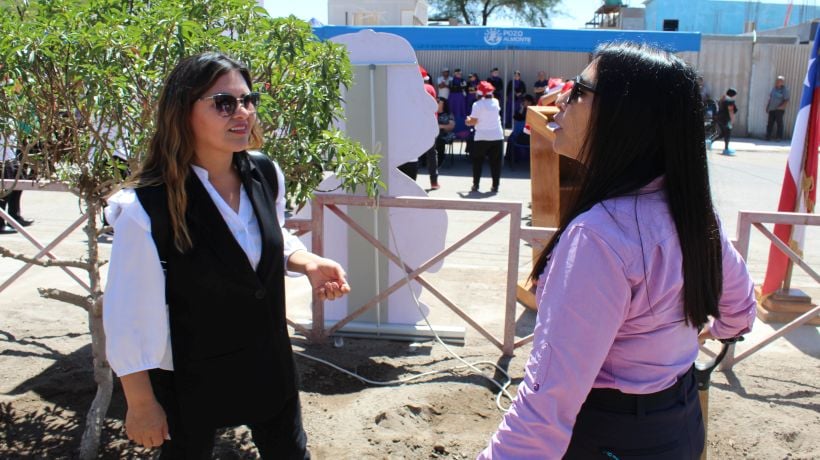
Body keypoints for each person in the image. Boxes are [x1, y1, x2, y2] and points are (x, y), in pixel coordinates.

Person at [479, 42, 756, 459]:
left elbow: (547, 404)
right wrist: (696, 337)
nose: (556, 104)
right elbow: (740, 307)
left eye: (576, 91)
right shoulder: (692, 209)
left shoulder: (601, 237)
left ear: (623, 118)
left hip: (609, 433)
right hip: (678, 421)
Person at [103, 51, 351, 458]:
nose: (242, 112)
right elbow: (126, 314)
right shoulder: (144, 208)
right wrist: (141, 402)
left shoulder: (264, 173)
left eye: (247, 100)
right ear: (183, 112)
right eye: (224, 103)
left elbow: (262, 238)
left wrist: (307, 262)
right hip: (189, 373)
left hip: (268, 362)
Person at [465, 81, 503, 193]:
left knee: (477, 162)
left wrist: (467, 121)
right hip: (497, 136)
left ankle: (476, 185)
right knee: (495, 163)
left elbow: (473, 121)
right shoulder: (496, 102)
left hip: (481, 137)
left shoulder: (477, 105)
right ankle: (495, 186)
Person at [0, 133, 34, 233]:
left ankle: (14, 217)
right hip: (2, 159)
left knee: (17, 188)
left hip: (11, 157)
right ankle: (0, 224)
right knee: (3, 194)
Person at [434, 97, 455, 174]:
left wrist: (439, 126)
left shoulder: (448, 114)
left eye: (439, 102)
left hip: (445, 134)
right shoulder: (432, 113)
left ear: (444, 104)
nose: (437, 103)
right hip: (433, 134)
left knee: (439, 140)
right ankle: (424, 162)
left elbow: (451, 126)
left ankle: (439, 162)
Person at [765, 75, 790, 141]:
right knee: (770, 123)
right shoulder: (774, 89)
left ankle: (778, 137)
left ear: (782, 82)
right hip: (771, 109)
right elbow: (770, 98)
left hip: (779, 110)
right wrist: (767, 106)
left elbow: (786, 100)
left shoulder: (784, 90)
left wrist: (781, 107)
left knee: (779, 123)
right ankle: (768, 136)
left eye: (779, 81)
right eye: (777, 81)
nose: (777, 82)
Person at [717, 87, 738, 155]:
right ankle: (726, 149)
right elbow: (731, 111)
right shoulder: (729, 101)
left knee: (723, 134)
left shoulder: (723, 99)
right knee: (727, 134)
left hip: (719, 118)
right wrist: (732, 120)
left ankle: (710, 142)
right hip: (726, 120)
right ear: (732, 94)